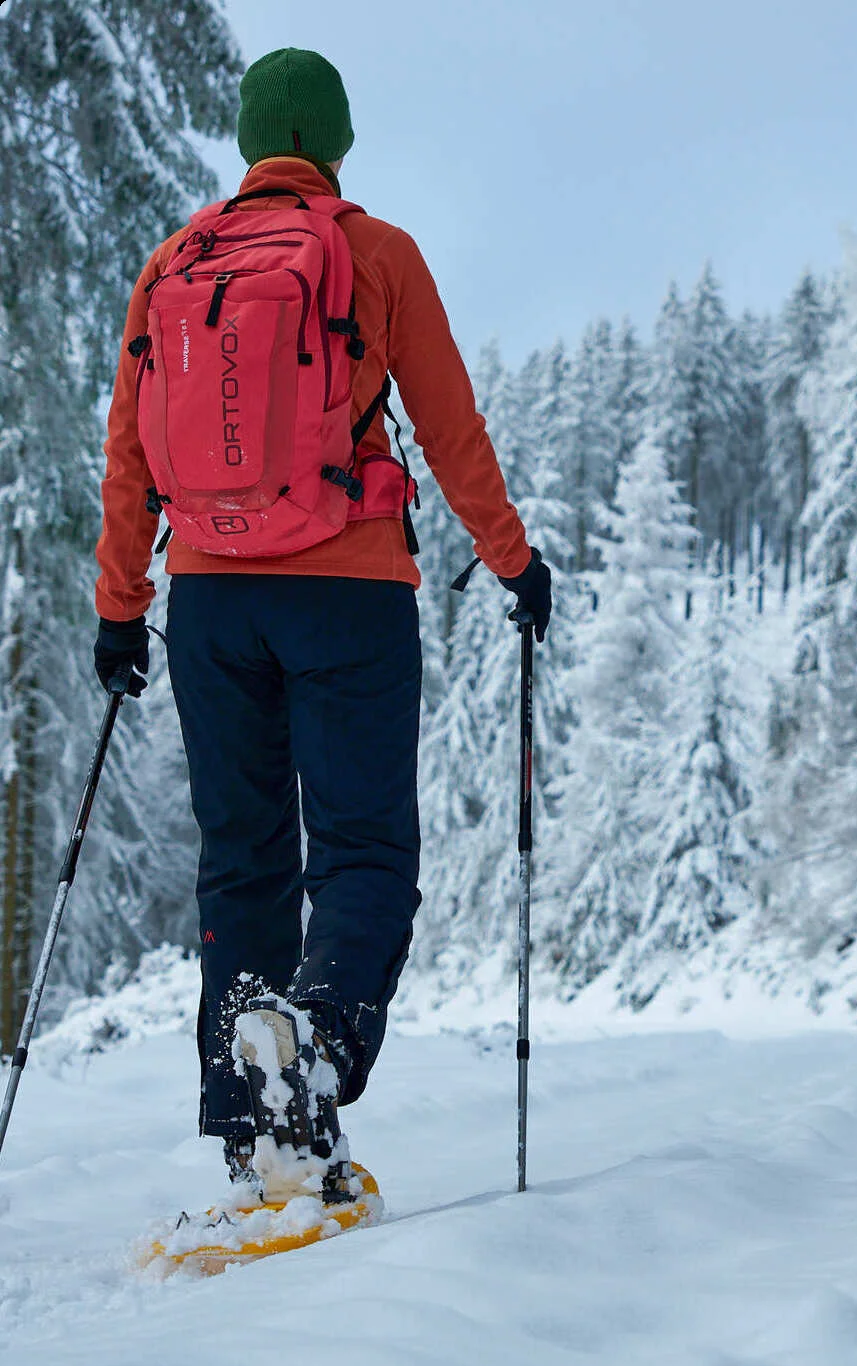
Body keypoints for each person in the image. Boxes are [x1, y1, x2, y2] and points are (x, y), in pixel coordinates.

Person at [91, 48, 552, 1203]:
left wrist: (119, 609)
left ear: (250, 146)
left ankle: (257, 1131)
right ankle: (321, 1053)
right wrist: (516, 561)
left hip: (206, 597)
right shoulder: (377, 250)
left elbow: (129, 457)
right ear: (337, 144)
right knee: (364, 850)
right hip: (346, 589)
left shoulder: (170, 267)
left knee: (242, 858)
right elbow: (452, 430)